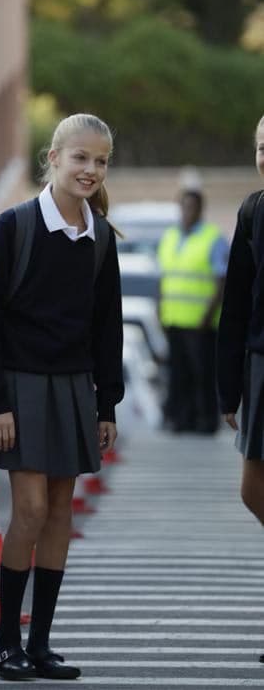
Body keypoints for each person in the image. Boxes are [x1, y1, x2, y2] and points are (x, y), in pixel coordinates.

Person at [0, 113, 124, 680]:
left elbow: (109, 327)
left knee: (58, 514)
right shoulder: (15, 225)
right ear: (52, 158)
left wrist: (107, 406)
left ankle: (42, 645)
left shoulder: (100, 238)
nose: (90, 170)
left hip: (75, 388)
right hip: (20, 389)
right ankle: (7, 644)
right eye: (80, 157)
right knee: (28, 510)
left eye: (100, 161)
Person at [217, 116, 264, 625]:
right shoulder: (254, 210)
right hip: (259, 368)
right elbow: (234, 305)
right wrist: (227, 389)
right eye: (260, 147)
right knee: (253, 490)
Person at [157, 189, 229, 434]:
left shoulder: (212, 238)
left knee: (203, 374)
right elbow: (164, 278)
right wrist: (161, 311)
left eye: (192, 207)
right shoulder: (170, 237)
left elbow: (221, 280)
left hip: (202, 323)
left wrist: (208, 315)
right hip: (174, 319)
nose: (188, 211)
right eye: (184, 206)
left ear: (200, 209)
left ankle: (206, 421)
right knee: (179, 374)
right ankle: (181, 419)